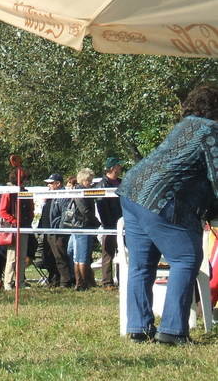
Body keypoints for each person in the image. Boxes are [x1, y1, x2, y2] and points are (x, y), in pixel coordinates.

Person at [118, 84, 218, 345]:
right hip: (159, 197)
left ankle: (139, 328)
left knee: (141, 265)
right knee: (185, 258)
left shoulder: (184, 126)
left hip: (131, 191)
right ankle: (173, 331)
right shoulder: (211, 130)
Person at [0, 170, 34, 290]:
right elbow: (2, 211)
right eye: (25, 179)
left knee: (22, 257)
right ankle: (8, 283)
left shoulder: (26, 193)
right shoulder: (8, 193)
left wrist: (29, 219)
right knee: (12, 257)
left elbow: (31, 209)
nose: (27, 182)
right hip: (13, 229)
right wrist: (14, 221)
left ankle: (20, 282)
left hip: (24, 228)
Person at [67, 168, 100, 291]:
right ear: (83, 179)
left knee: (78, 257)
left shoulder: (80, 190)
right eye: (89, 180)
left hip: (79, 226)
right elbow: (85, 211)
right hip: (82, 226)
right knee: (82, 257)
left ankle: (80, 282)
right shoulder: (80, 191)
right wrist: (96, 222)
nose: (90, 183)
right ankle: (82, 283)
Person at [94, 157, 124, 288]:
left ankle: (122, 279)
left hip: (123, 223)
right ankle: (107, 282)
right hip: (109, 224)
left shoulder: (122, 182)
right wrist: (108, 225)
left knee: (123, 252)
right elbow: (101, 206)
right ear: (112, 168)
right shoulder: (102, 184)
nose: (120, 168)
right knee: (108, 254)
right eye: (118, 166)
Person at [42, 173, 72, 288]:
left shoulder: (63, 195)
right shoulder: (50, 195)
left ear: (58, 183)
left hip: (57, 232)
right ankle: (54, 280)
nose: (48, 185)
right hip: (48, 230)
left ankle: (65, 281)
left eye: (50, 183)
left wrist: (61, 230)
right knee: (49, 257)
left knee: (60, 257)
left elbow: (65, 214)